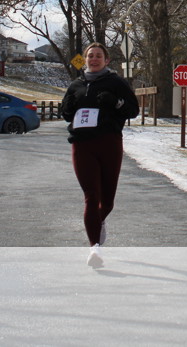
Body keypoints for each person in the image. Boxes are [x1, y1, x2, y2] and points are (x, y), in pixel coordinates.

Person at [60, 42, 138, 268]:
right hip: (82, 145)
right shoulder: (76, 85)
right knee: (91, 196)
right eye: (90, 56)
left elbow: (132, 110)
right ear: (85, 59)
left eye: (98, 56)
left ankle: (97, 221)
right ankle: (94, 248)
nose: (93, 59)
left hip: (109, 143)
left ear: (106, 60)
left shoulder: (116, 83)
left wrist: (115, 102)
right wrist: (68, 106)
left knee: (108, 202)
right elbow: (66, 114)